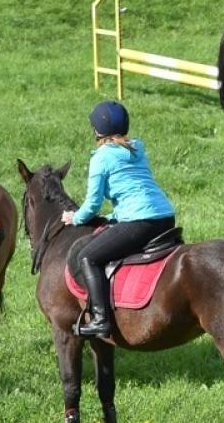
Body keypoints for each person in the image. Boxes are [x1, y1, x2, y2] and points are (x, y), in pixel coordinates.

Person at [63, 101, 177, 340]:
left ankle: (101, 319)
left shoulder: (101, 158)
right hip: (165, 217)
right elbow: (134, 190)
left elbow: (92, 204)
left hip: (140, 221)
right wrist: (113, 217)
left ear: (97, 130)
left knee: (87, 257)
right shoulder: (136, 148)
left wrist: (76, 218)